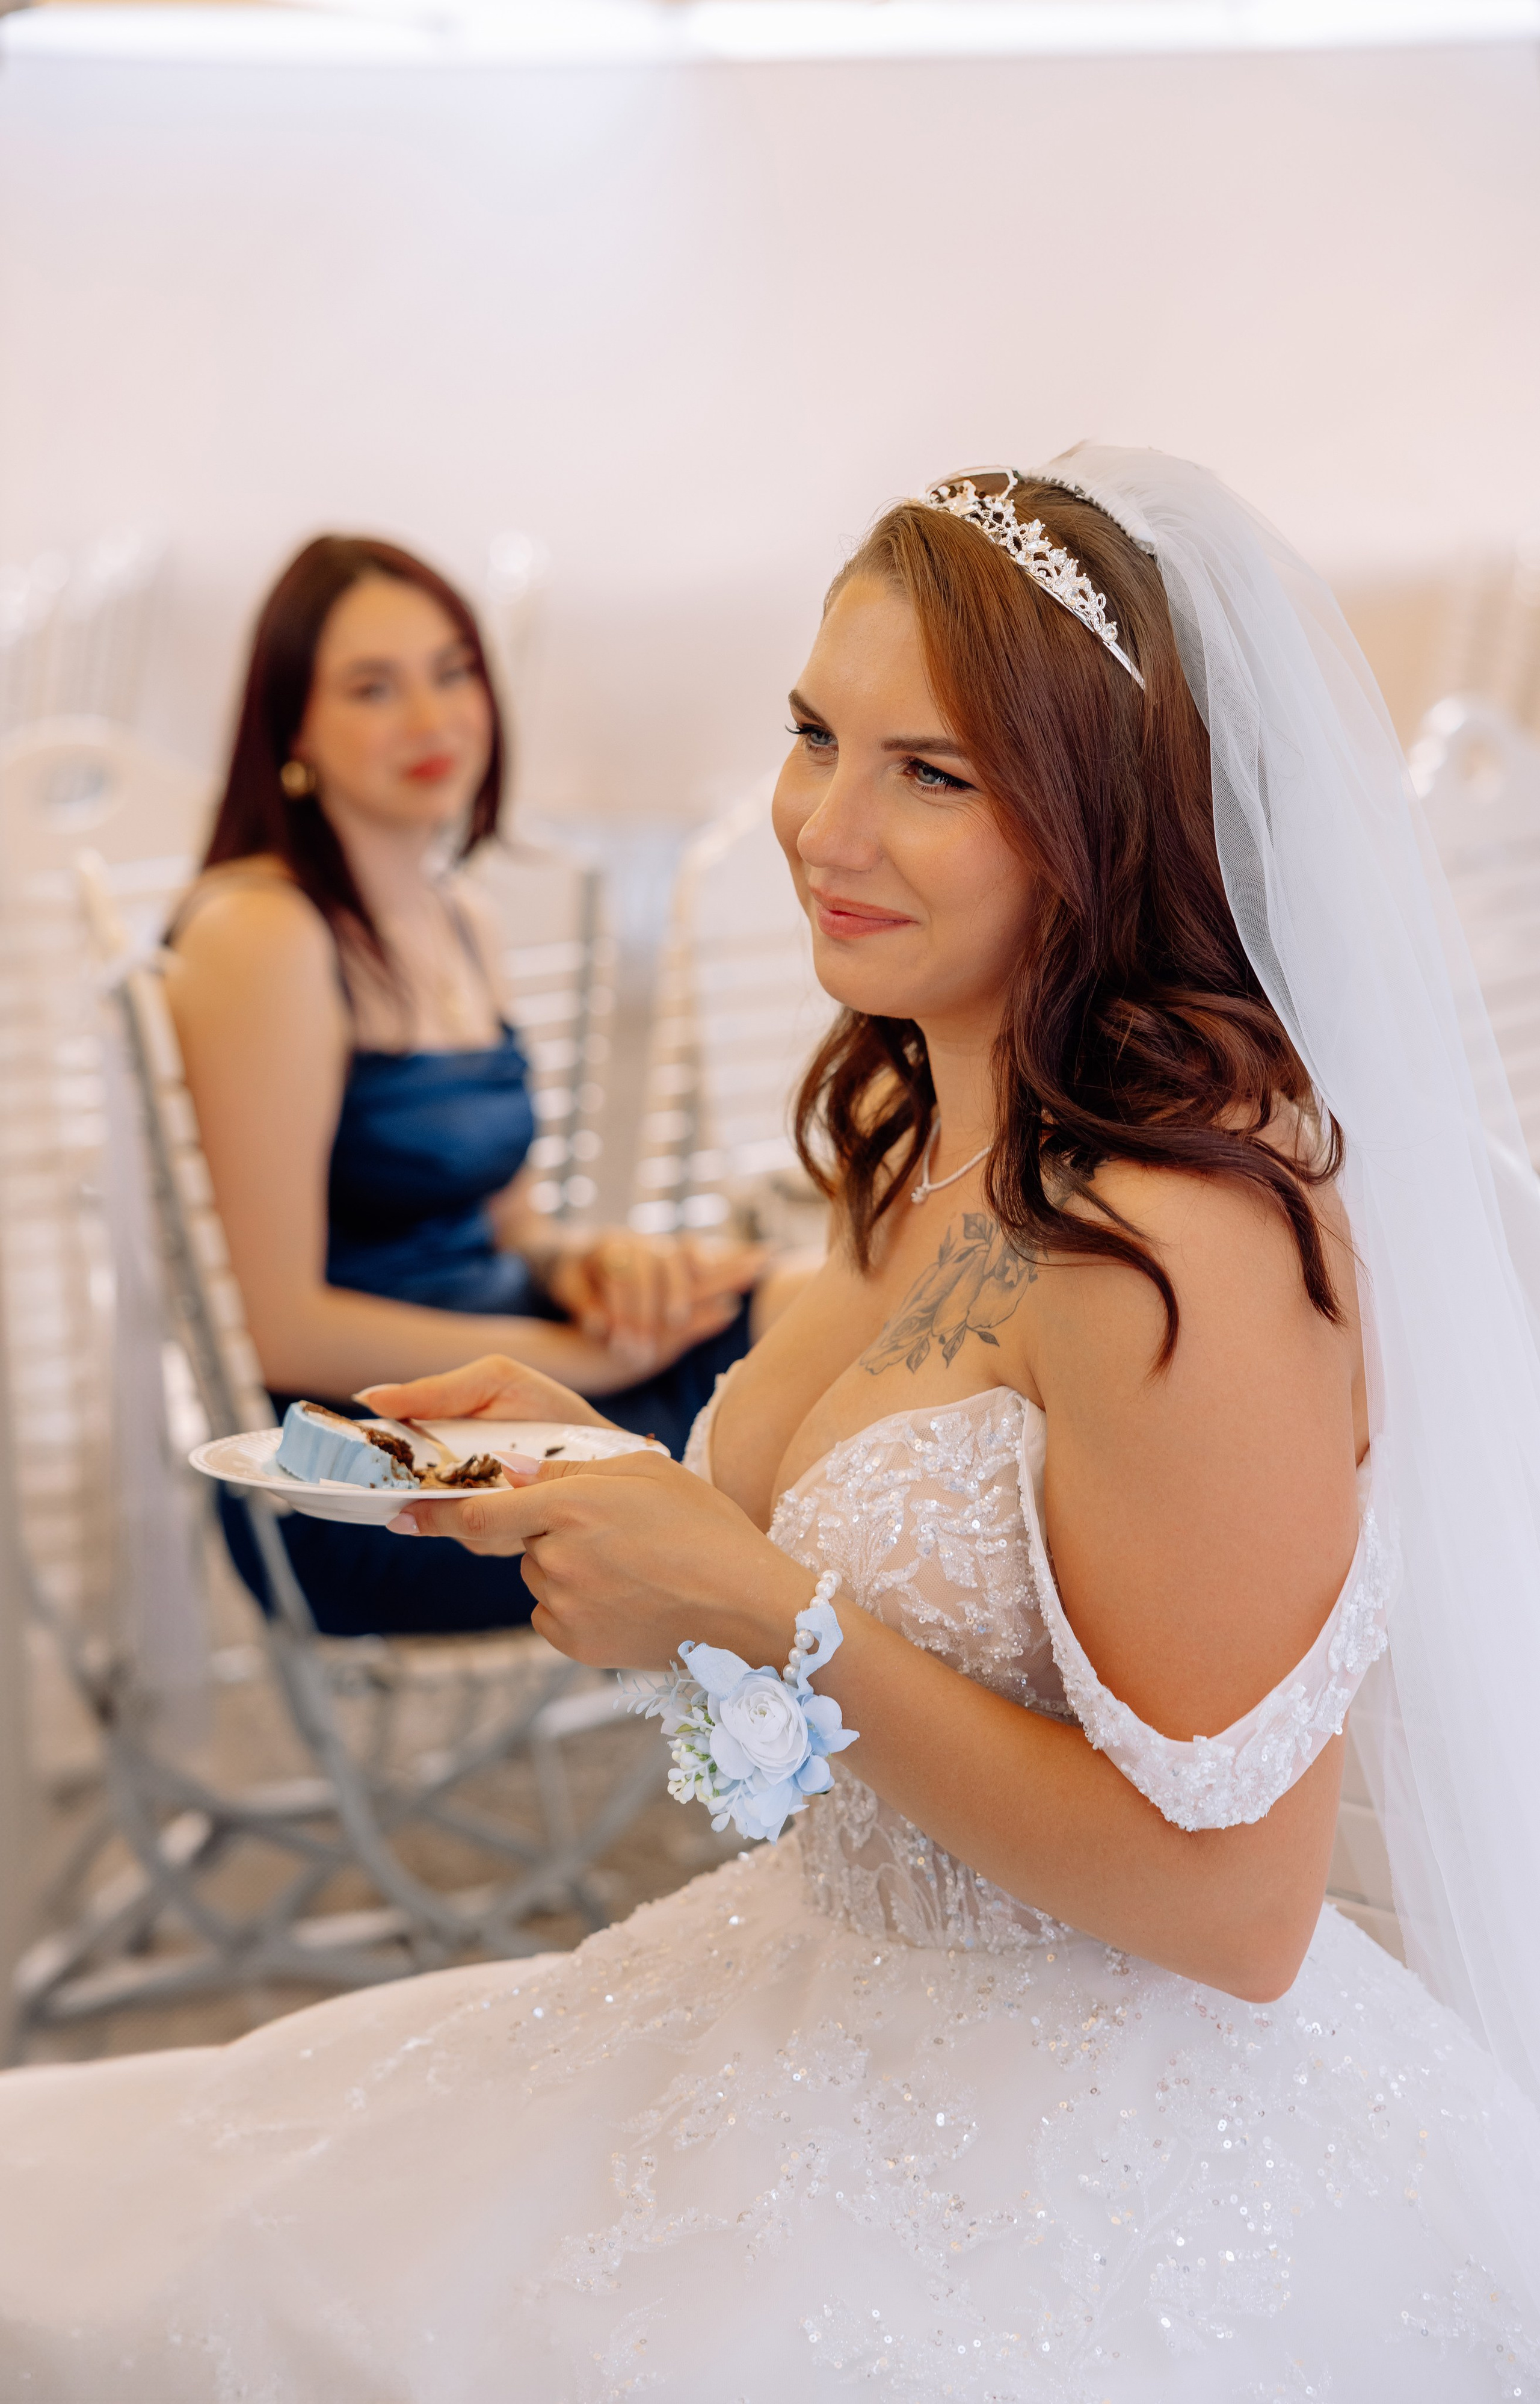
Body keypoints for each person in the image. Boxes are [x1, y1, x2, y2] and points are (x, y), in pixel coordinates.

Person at [2, 448, 1539, 2397]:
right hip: (802, 1989)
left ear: (1105, 812)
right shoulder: (926, 1133)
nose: (823, 822)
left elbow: (1236, 1909)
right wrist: (603, 1470)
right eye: (817, 735)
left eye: (935, 772)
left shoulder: (1190, 1231)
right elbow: (845, 1555)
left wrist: (755, 1605)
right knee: (141, 2223)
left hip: (1076, 2139)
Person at [164, 534, 771, 1634]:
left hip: (509, 1403)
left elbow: (511, 1230)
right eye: (373, 688)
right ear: (292, 724)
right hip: (372, 1476)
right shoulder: (263, 932)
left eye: (453, 673)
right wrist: (583, 1361)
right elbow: (276, 1330)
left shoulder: (461, 921)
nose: (434, 721)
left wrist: (600, 1265)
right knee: (804, 1423)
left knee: (793, 1300)